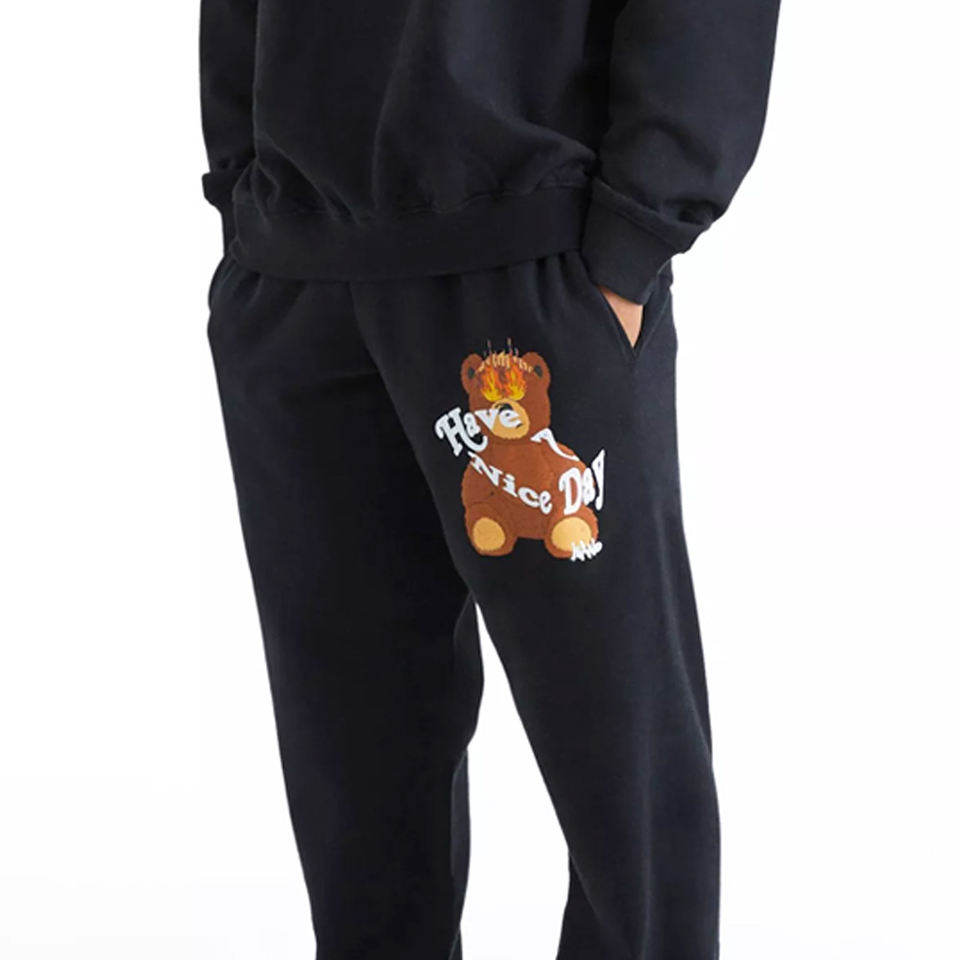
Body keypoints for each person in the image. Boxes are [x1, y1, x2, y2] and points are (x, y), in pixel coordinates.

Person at [199, 0, 780, 956]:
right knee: (353, 766)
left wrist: (637, 232)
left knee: (621, 770)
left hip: (532, 267)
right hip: (296, 269)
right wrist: (243, 193)